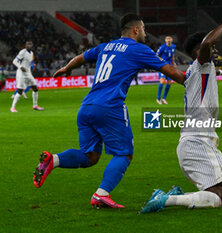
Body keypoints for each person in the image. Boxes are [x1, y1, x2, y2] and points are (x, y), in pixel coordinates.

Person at [32, 13, 185, 209]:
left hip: (87, 107)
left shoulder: (106, 46)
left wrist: (66, 68)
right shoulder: (139, 48)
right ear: (136, 30)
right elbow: (172, 73)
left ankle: (53, 160)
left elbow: (81, 58)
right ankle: (101, 194)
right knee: (124, 154)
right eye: (144, 29)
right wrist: (198, 81)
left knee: (91, 157)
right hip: (110, 107)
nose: (146, 34)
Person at [141, 11, 222, 214]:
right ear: (200, 53)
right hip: (197, 143)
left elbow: (205, 68)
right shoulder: (201, 64)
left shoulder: (197, 70)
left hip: (206, 141)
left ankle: (186, 194)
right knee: (220, 200)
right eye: (212, 48)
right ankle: (166, 199)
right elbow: (206, 46)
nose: (214, 51)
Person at [10, 41, 44, 112]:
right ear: (25, 45)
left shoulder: (31, 53)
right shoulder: (22, 52)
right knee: (20, 90)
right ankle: (12, 107)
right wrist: (20, 67)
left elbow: (29, 63)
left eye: (30, 44)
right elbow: (14, 61)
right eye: (28, 44)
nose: (29, 46)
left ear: (32, 46)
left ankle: (35, 106)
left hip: (28, 73)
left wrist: (32, 66)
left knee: (35, 88)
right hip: (21, 73)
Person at [156, 36, 176, 104]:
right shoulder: (162, 47)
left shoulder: (173, 46)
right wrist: (160, 62)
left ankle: (163, 98)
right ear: (165, 40)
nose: (169, 40)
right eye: (167, 39)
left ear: (172, 40)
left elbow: (173, 55)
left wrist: (174, 62)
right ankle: (158, 98)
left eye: (170, 39)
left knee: (169, 82)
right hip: (163, 66)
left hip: (170, 66)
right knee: (162, 81)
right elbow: (157, 55)